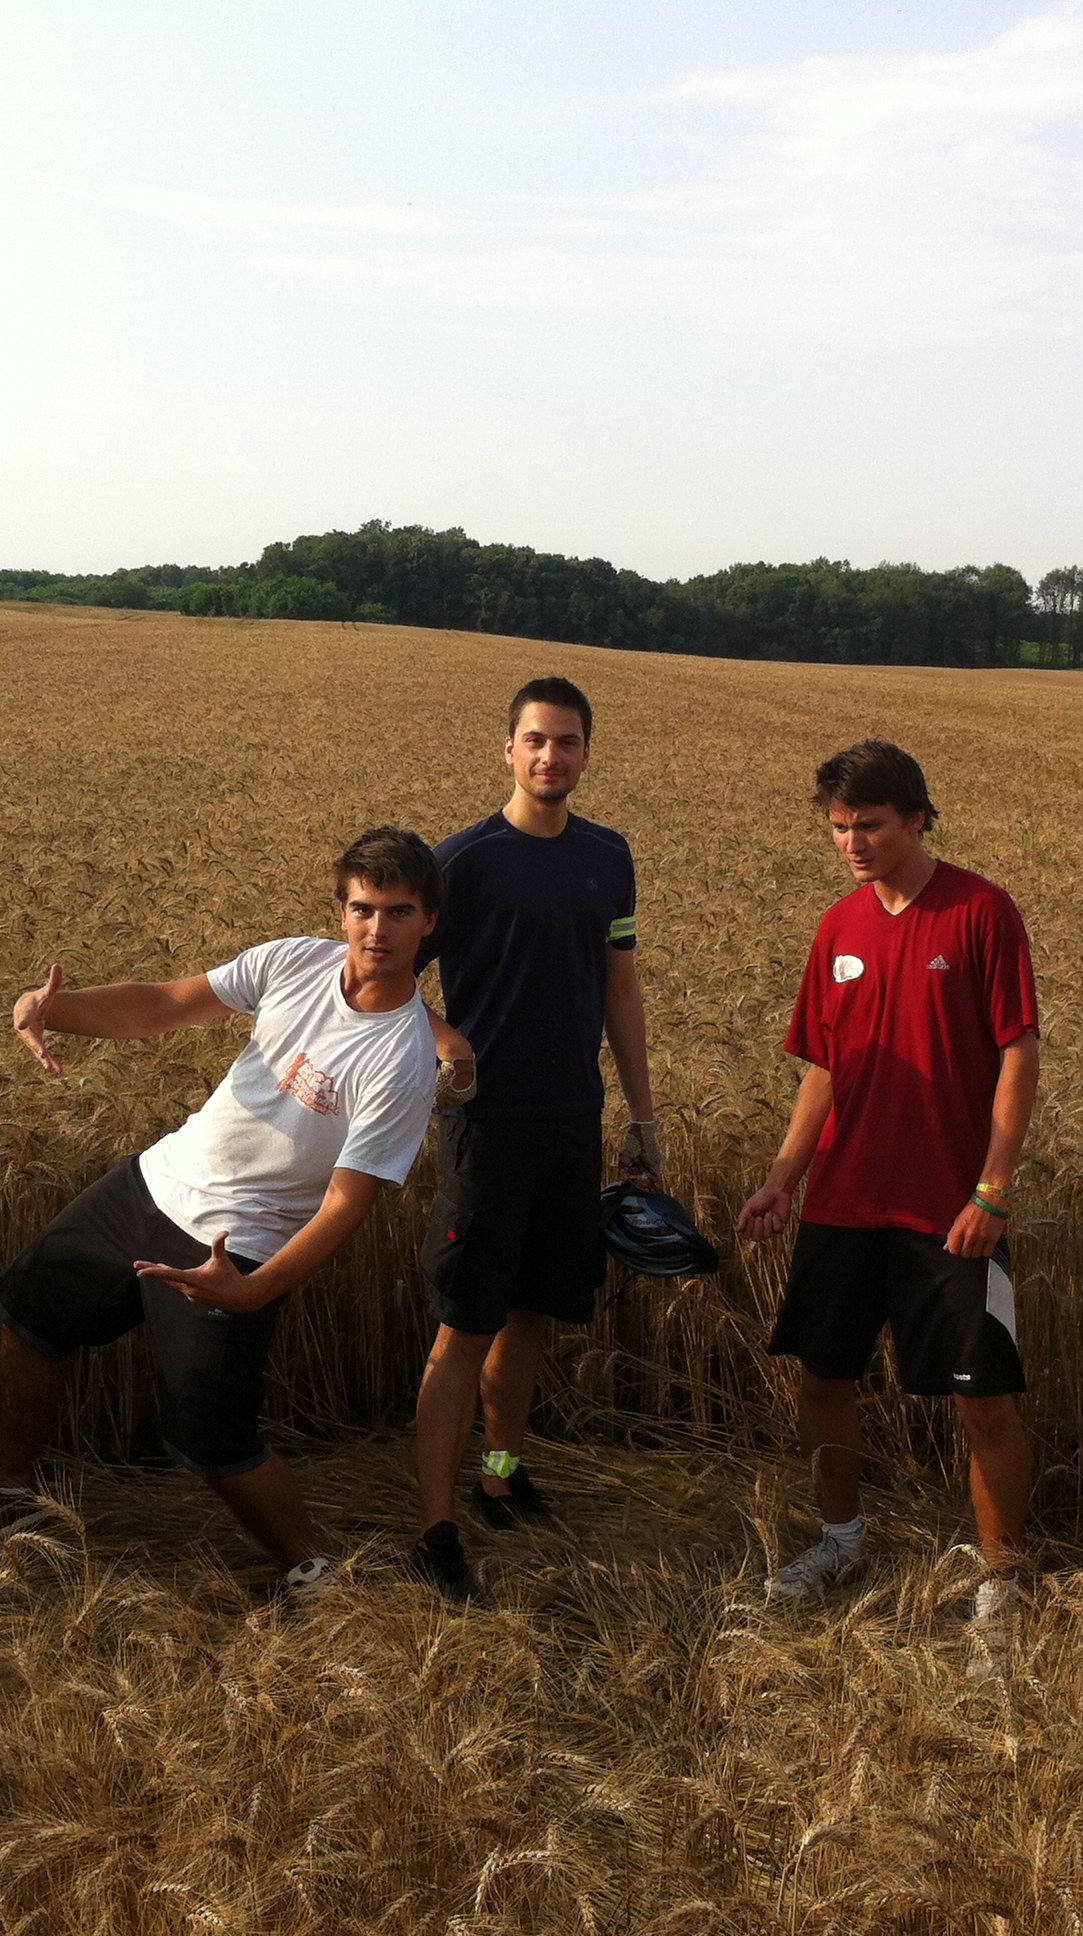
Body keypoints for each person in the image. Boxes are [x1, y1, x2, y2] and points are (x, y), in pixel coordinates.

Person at [0, 826, 448, 1602]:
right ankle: (4, 1492)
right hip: (157, 1179)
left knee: (211, 1434)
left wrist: (252, 1289)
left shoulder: (403, 1058)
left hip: (237, 1240)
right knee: (28, 1314)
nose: (378, 929)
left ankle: (315, 1577)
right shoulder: (293, 962)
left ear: (429, 920)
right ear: (340, 911)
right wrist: (55, 1010)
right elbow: (164, 1004)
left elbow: (346, 1205)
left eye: (399, 912)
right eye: (363, 909)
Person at [735, 740, 1041, 1668]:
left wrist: (992, 1190)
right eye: (838, 827)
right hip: (843, 1202)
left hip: (951, 1211)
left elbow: (1019, 1054)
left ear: (917, 818)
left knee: (983, 1401)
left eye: (868, 824)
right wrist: (784, 1178)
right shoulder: (838, 928)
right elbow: (825, 1067)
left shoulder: (981, 912)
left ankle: (1002, 1581)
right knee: (823, 1380)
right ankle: (840, 1542)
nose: (852, 843)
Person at [406, 676, 659, 1605]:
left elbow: (620, 986)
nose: (553, 756)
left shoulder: (608, 856)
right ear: (507, 750)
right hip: (486, 1129)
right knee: (464, 1325)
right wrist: (446, 1043)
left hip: (571, 1122)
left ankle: (501, 1475)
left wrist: (641, 1114)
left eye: (569, 741)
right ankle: (435, 1533)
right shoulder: (461, 863)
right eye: (537, 740)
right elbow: (382, 973)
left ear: (588, 753)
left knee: (530, 1313)